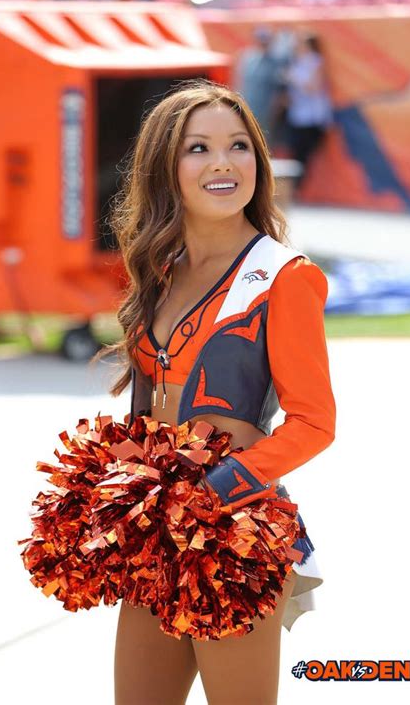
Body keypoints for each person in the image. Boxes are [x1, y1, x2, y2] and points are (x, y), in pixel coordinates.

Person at [92, 79, 336, 704]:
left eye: (239, 146)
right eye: (198, 148)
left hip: (234, 530)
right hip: (157, 531)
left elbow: (314, 423)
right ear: (164, 168)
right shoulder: (160, 270)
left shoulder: (285, 278)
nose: (224, 162)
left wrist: (216, 489)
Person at [285, 32, 333, 190]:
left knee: (303, 155)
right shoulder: (297, 62)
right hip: (298, 115)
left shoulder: (315, 61)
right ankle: (293, 189)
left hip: (312, 117)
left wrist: (293, 79)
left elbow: (313, 88)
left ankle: (295, 189)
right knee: (296, 154)